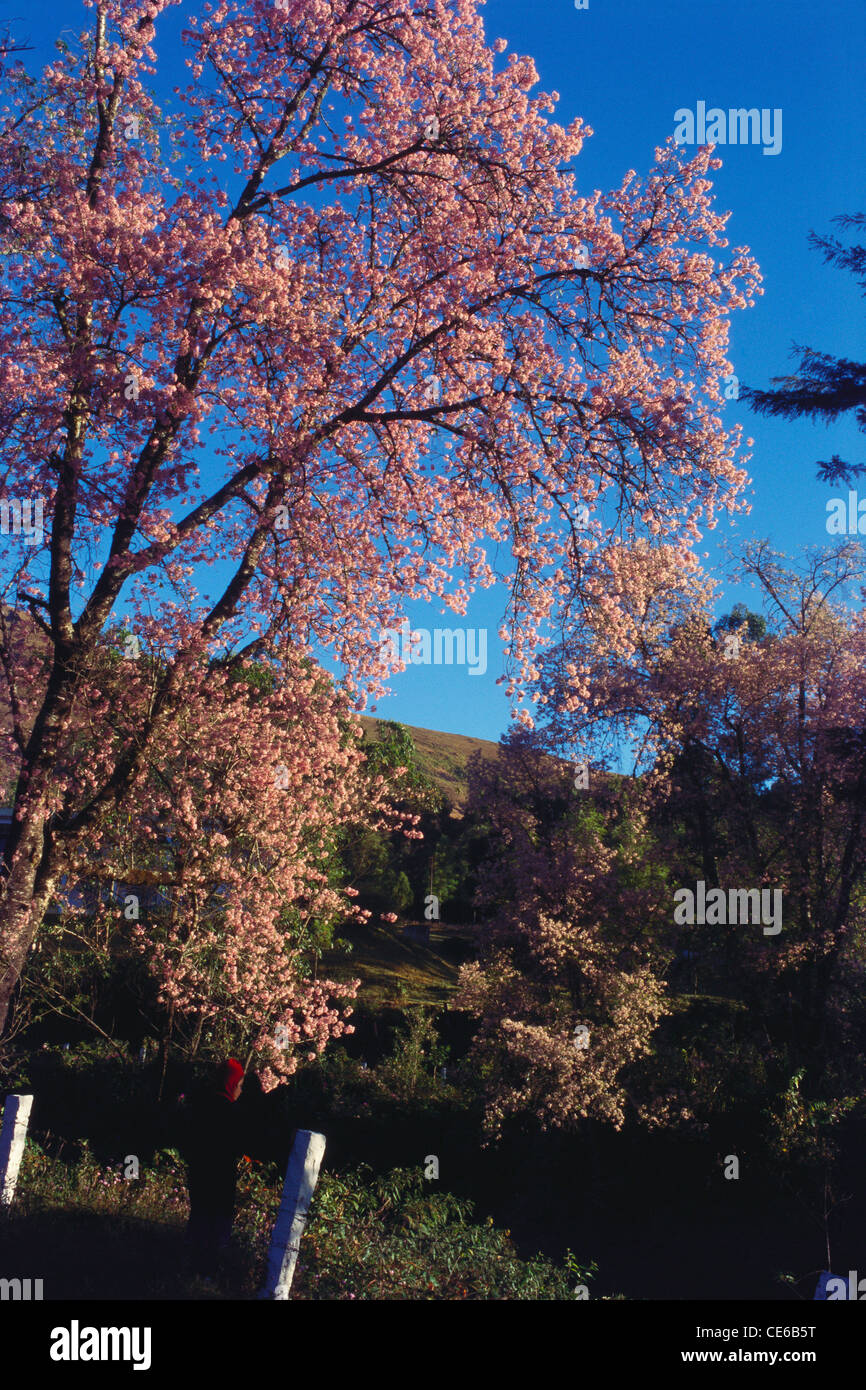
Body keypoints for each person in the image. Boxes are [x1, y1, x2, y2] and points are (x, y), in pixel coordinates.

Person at [181, 1057, 246, 1280]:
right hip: (220, 1180)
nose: (240, 1091)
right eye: (239, 1085)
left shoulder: (200, 1106)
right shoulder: (231, 1113)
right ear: (231, 1084)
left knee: (199, 1219)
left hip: (199, 1176)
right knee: (216, 1228)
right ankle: (207, 1273)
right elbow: (238, 1146)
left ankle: (192, 1270)